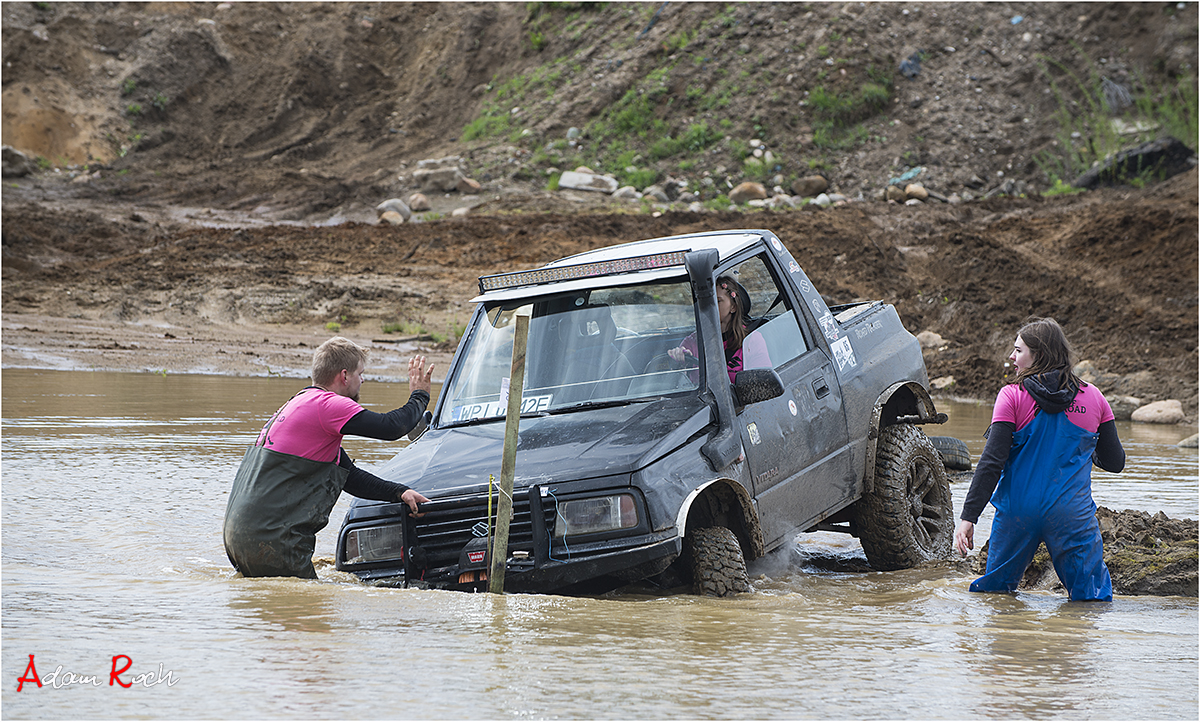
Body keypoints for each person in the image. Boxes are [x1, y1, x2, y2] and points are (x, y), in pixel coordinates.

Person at [223, 336, 434, 579]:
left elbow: (350, 478)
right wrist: (419, 396)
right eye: (360, 373)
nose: (362, 380)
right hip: (270, 538)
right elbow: (391, 428)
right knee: (306, 611)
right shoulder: (327, 405)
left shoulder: (300, 403)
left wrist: (399, 492)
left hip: (241, 536)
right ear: (344, 376)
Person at [954, 317, 1125, 601]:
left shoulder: (1012, 396)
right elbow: (1115, 461)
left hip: (1017, 513)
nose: (1012, 356)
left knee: (996, 596)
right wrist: (1084, 448)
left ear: (1039, 355)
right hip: (1071, 515)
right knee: (1090, 599)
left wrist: (968, 517)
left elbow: (992, 462)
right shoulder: (1094, 397)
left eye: (1018, 350)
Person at [668, 275, 755, 383]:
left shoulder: (751, 340)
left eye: (717, 301)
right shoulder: (691, 343)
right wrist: (679, 361)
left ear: (733, 307)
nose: (709, 306)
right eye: (705, 302)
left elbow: (762, 385)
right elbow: (678, 385)